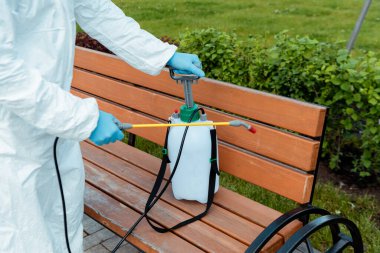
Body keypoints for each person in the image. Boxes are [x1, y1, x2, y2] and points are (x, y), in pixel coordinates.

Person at [0, 0, 205, 252]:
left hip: (56, 134)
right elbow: (4, 74)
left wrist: (163, 54)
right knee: (22, 237)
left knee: (62, 227)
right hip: (12, 144)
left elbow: (97, 10)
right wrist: (84, 118)